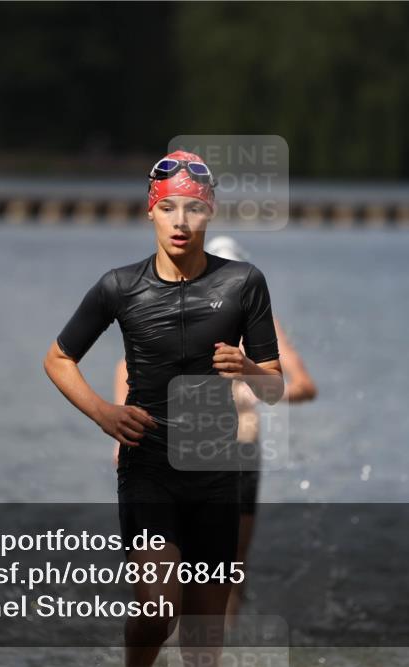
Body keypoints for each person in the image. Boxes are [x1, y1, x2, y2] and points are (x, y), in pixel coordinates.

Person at [43, 150, 285, 667]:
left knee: (202, 644)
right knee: (157, 610)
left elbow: (275, 387)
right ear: (150, 211)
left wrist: (247, 366)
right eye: (169, 208)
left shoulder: (243, 283)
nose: (181, 221)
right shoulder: (119, 286)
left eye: (193, 209)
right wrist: (103, 413)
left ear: (209, 212)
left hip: (216, 470)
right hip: (148, 465)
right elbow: (58, 359)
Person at [112, 235, 317, 622]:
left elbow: (305, 386)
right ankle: (167, 635)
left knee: (231, 567)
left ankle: (226, 642)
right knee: (174, 560)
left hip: (240, 452)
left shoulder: (262, 322)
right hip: (184, 447)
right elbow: (128, 367)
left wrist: (257, 385)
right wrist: (124, 429)